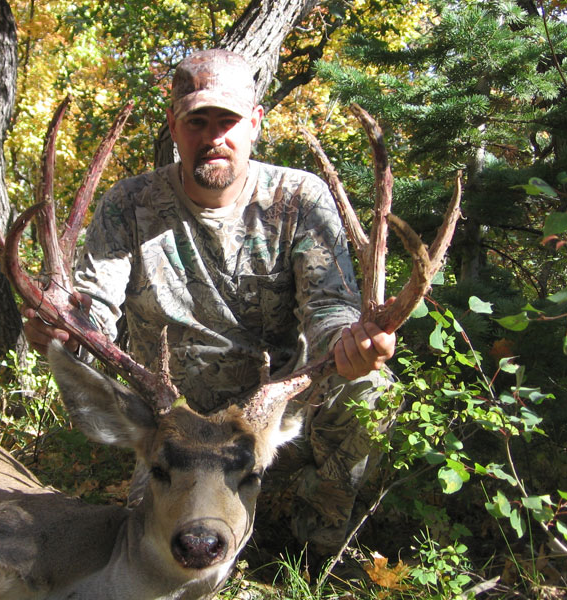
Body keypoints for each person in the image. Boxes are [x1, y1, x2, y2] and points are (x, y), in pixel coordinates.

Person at [24, 48, 396, 561]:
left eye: (228, 121)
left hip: (276, 422)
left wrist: (351, 344)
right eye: (197, 121)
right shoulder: (128, 206)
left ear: (255, 123)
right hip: (179, 432)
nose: (212, 136)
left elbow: (330, 306)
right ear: (174, 126)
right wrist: (65, 332)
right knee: (152, 556)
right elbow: (95, 312)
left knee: (370, 388)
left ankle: (316, 548)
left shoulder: (299, 198)